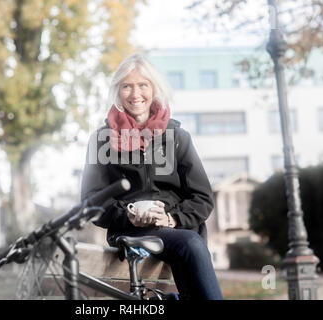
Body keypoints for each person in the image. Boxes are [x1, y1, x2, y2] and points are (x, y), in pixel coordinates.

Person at [81, 53, 223, 300]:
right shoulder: (101, 140)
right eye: (127, 86)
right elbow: (91, 201)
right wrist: (128, 214)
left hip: (177, 231)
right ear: (117, 91)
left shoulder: (177, 137)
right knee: (190, 244)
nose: (135, 94)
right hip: (129, 232)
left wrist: (172, 218)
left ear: (154, 89)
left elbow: (202, 197)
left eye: (142, 85)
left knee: (190, 242)